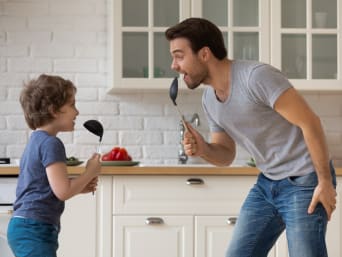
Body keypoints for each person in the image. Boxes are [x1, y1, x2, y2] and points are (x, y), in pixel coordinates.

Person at [165, 17, 337, 257]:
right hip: (267, 183)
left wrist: (325, 182)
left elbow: (310, 123)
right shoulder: (209, 100)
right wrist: (204, 148)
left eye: (179, 55)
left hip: (304, 180)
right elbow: (226, 153)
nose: (174, 65)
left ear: (204, 54)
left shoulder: (255, 77)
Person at [7, 74, 101, 257]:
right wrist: (90, 172)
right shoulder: (51, 144)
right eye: (72, 105)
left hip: (26, 225)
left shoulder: (36, 140)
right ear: (54, 110)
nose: (77, 112)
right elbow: (63, 191)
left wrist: (79, 185)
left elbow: (44, 185)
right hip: (35, 228)